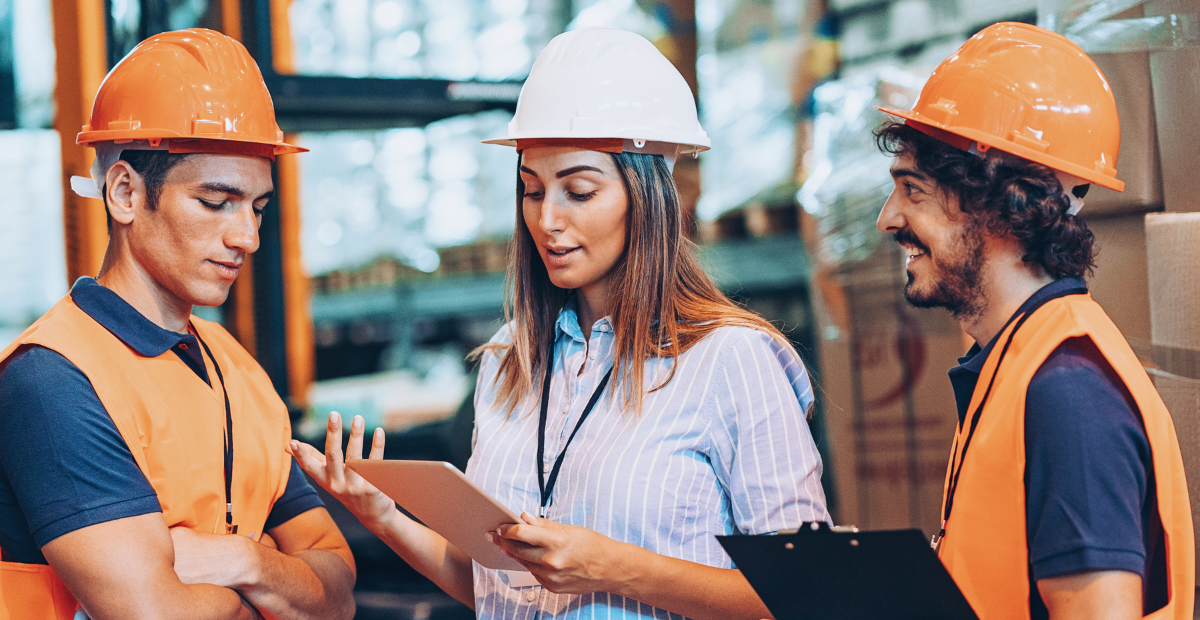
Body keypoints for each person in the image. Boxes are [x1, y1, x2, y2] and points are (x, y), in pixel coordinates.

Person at [290, 27, 828, 620]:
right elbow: (496, 589)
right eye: (531, 190)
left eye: (578, 190)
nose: (547, 219)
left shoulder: (731, 361)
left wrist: (612, 566)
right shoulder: (510, 362)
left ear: (648, 197)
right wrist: (383, 515)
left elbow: (807, 593)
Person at [0, 30, 355, 620]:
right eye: (216, 203)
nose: (247, 236)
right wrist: (275, 588)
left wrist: (245, 561)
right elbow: (155, 614)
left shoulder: (233, 366)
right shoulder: (53, 382)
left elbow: (338, 596)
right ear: (125, 194)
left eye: (257, 207)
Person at [873, 22, 1193, 620]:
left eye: (912, 190)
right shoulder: (1019, 363)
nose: (888, 219)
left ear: (1000, 201)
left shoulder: (1067, 392)